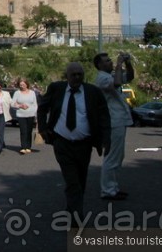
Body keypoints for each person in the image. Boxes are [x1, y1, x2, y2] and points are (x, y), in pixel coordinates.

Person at [37, 62, 111, 219]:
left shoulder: (93, 92)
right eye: (74, 75)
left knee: (81, 179)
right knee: (72, 181)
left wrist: (106, 138)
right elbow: (42, 107)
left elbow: (104, 116)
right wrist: (43, 129)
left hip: (84, 144)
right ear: (67, 76)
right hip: (62, 143)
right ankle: (77, 217)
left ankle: (72, 208)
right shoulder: (57, 89)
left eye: (80, 74)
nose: (77, 77)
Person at [94, 52, 134, 200]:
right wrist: (119, 64)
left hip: (118, 120)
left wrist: (128, 63)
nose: (110, 62)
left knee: (118, 156)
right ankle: (108, 190)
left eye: (110, 60)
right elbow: (116, 83)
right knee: (112, 156)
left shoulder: (110, 75)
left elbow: (129, 77)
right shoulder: (102, 78)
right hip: (113, 121)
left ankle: (113, 187)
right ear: (99, 65)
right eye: (107, 61)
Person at [11, 78, 38, 154]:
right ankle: (23, 147)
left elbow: (35, 104)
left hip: (31, 114)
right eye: (20, 85)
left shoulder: (32, 93)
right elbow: (12, 104)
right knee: (23, 131)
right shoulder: (17, 93)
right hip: (21, 114)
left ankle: (28, 147)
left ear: (27, 84)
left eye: (23, 84)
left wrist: (36, 114)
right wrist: (20, 106)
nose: (22, 86)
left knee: (29, 131)